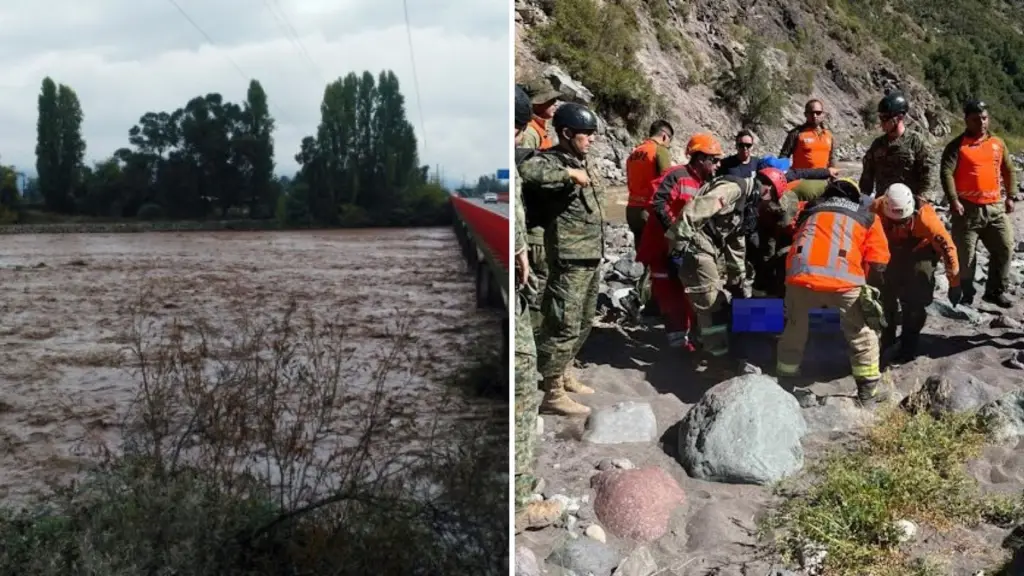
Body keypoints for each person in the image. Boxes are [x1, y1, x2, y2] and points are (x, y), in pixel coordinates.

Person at [519, 102, 604, 416]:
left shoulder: (582, 159)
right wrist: (569, 173)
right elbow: (528, 170)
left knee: (583, 321)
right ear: (567, 133)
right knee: (562, 323)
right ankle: (552, 391)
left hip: (591, 255)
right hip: (569, 256)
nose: (592, 140)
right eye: (586, 134)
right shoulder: (553, 161)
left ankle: (565, 372)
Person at [776, 178, 891, 405]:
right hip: (844, 282)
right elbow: (879, 261)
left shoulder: (809, 211)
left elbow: (790, 227)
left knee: (794, 330)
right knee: (861, 334)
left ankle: (785, 385)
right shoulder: (867, 217)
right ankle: (867, 394)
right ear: (855, 196)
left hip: (801, 278)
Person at [512, 85, 562, 533]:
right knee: (521, 390)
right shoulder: (521, 146)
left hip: (516, 269)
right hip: (513, 285)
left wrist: (519, 251)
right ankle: (517, 503)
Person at [663, 133, 759, 358]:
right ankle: (715, 358)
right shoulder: (733, 189)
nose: (718, 165)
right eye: (714, 160)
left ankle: (706, 344)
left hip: (705, 248)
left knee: (716, 301)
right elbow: (693, 211)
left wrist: (738, 279)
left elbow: (736, 243)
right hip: (693, 247)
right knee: (712, 305)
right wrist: (677, 250)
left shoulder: (744, 205)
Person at [939, 99, 1016, 308]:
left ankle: (994, 291)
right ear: (966, 120)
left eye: (984, 118)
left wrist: (1011, 195)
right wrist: (953, 200)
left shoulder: (997, 144)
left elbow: (1008, 169)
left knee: (1005, 247)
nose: (981, 123)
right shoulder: (957, 146)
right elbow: (946, 172)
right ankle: (966, 295)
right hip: (967, 210)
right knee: (966, 258)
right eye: (976, 119)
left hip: (995, 208)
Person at [870, 183, 959, 361]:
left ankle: (908, 343)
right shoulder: (874, 209)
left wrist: (954, 283)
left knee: (916, 300)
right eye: (894, 221)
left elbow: (948, 248)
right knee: (882, 296)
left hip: (920, 252)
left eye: (903, 221)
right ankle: (887, 338)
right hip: (888, 250)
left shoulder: (926, 217)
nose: (899, 224)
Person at [520, 76, 563, 329]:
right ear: (536, 104)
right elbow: (529, 177)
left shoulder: (539, 131)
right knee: (537, 288)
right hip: (534, 225)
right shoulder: (529, 136)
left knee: (543, 284)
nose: (555, 104)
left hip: (541, 223)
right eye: (550, 100)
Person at [625, 119, 674, 315]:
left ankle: (643, 298)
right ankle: (641, 300)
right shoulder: (659, 151)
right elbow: (669, 181)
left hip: (632, 209)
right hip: (650, 211)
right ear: (664, 136)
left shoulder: (635, 152)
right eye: (669, 141)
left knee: (643, 257)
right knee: (657, 259)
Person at [859, 91, 933, 200]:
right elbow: (867, 175)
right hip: (883, 204)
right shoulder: (878, 144)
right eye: (880, 117)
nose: (882, 122)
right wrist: (864, 198)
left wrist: (923, 199)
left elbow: (928, 175)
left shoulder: (916, 142)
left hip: (908, 206)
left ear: (899, 117)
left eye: (885, 118)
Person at [779, 99, 836, 170]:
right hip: (801, 180)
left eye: (818, 112)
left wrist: (833, 177)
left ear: (823, 114)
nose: (815, 116)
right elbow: (783, 157)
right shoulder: (796, 133)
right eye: (811, 113)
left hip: (823, 179)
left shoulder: (829, 135)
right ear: (805, 114)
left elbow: (832, 158)